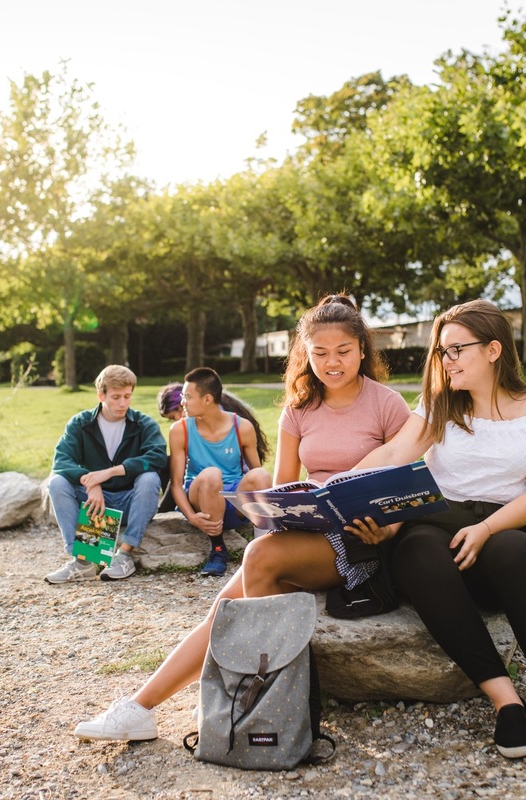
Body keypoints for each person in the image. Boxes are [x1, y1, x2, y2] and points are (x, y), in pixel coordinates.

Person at [72, 293, 411, 741]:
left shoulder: (388, 404)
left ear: (363, 350)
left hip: (360, 543)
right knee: (225, 605)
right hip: (308, 535)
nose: (332, 363)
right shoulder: (299, 408)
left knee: (256, 560)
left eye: (344, 352)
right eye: (320, 353)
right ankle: (141, 707)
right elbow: (285, 487)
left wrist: (388, 526)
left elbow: (406, 491)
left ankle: (239, 708)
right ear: (305, 355)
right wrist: (272, 509)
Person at [348, 298, 526, 766]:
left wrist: (485, 528)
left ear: (492, 350)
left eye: (455, 350)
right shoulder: (439, 405)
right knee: (417, 549)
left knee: (517, 551)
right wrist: (335, 489)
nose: (446, 362)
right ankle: (507, 701)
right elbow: (393, 454)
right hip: (438, 533)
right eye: (441, 353)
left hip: (501, 532)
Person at [44, 365, 167, 584]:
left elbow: (158, 457)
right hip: (95, 505)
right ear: (101, 395)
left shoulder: (143, 423)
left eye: (127, 396)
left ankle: (124, 555)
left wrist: (110, 472)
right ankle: (84, 561)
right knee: (57, 483)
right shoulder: (80, 423)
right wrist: (91, 483)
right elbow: (62, 460)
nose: (123, 403)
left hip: (130, 502)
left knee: (150, 478)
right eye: (116, 397)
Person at [168, 366, 273, 576]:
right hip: (201, 498)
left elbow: (256, 475)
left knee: (262, 475)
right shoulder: (180, 430)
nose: (182, 403)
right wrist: (191, 516)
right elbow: (177, 484)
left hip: (234, 504)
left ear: (207, 399)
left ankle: (265, 546)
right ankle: (217, 550)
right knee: (211, 474)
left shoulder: (242, 427)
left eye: (188, 397)